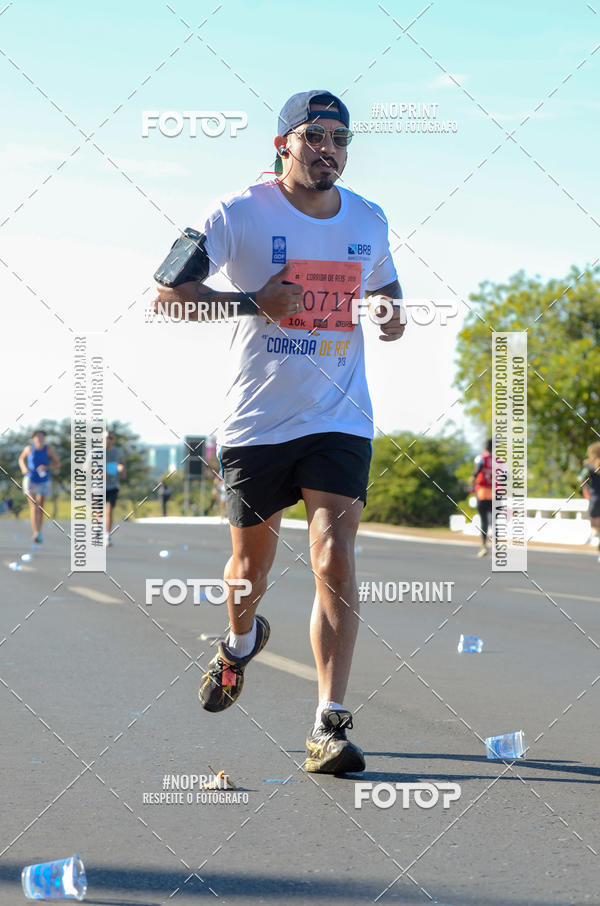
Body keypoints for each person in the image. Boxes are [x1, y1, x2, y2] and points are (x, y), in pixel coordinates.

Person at [153, 90, 406, 774]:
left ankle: (330, 722)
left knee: (334, 559)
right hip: (257, 421)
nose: (330, 148)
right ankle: (238, 643)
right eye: (315, 135)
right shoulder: (237, 212)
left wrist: (389, 311)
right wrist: (251, 301)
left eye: (342, 138)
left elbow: (387, 285)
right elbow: (166, 295)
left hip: (339, 416)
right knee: (248, 576)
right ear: (283, 144)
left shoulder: (369, 218)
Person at [18, 429, 59, 543]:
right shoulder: (29, 449)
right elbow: (21, 459)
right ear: (33, 438)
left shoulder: (48, 450)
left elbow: (57, 464)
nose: (40, 438)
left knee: (40, 506)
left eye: (42, 436)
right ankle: (35, 532)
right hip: (30, 480)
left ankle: (39, 532)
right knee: (34, 506)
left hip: (44, 481)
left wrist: (46, 467)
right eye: (38, 436)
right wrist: (24, 468)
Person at [471, 438, 493, 557]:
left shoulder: (481, 458)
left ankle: (484, 545)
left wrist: (473, 478)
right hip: (495, 493)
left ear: (484, 448)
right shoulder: (499, 460)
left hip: (482, 492)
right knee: (493, 520)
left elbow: (478, 470)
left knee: (484, 520)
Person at [579, 442, 600, 557]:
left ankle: (593, 538)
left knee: (594, 522)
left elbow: (580, 478)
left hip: (594, 497)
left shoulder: (589, 466)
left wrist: (585, 489)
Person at [105, 431, 126, 546]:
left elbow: (122, 466)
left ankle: (107, 535)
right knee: (99, 513)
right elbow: (85, 468)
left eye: (111, 438)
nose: (109, 440)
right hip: (98, 486)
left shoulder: (118, 452)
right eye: (107, 437)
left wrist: (121, 471)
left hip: (113, 486)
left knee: (109, 509)